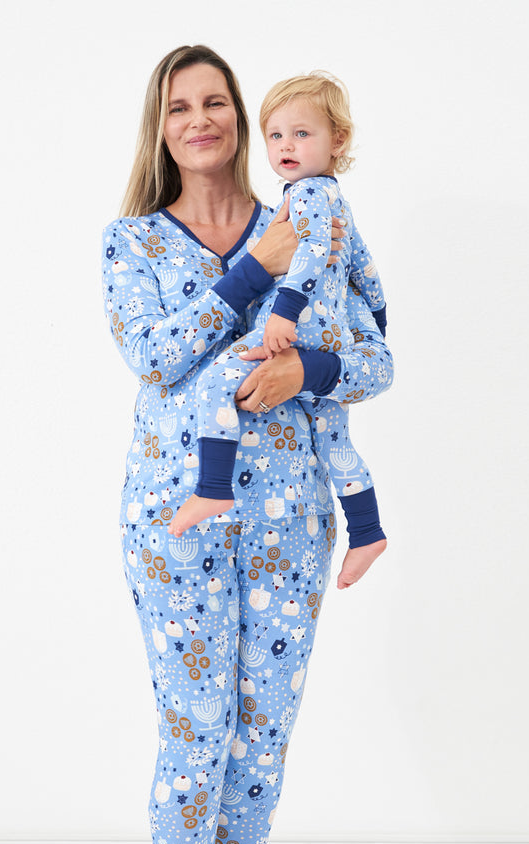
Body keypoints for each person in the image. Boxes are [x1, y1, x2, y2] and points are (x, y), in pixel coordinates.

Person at [102, 44, 393, 844]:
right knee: (197, 728)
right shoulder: (132, 243)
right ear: (163, 126)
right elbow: (155, 359)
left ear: (241, 117)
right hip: (176, 521)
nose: (201, 120)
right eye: (180, 106)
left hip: (289, 524)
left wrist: (304, 370)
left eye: (216, 101)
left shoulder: (311, 215)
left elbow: (375, 355)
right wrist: (249, 270)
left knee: (261, 733)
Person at [169, 72, 388, 591]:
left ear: (337, 139)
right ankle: (369, 529)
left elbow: (378, 365)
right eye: (277, 135)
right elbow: (366, 269)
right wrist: (377, 316)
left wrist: (290, 324)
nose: (287, 145)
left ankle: (214, 485)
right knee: (337, 443)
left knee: (218, 377)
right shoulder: (133, 237)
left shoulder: (302, 201)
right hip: (168, 520)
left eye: (302, 134)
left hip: (290, 513)